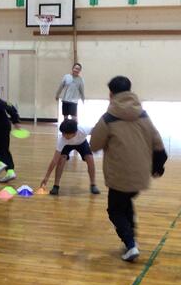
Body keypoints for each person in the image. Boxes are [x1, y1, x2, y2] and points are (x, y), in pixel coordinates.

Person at [90, 76, 167, 262]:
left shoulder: (108, 119)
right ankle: (131, 240)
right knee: (125, 203)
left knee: (115, 210)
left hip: (119, 176)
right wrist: (158, 166)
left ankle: (131, 244)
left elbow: (94, 145)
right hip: (140, 175)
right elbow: (158, 143)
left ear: (111, 94)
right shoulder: (143, 115)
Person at [40, 119, 101, 196]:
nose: (63, 136)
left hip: (81, 143)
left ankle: (93, 185)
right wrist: (46, 177)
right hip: (67, 145)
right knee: (61, 161)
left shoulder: (83, 129)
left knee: (90, 159)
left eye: (66, 134)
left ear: (75, 132)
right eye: (62, 133)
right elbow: (54, 160)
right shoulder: (62, 140)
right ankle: (56, 186)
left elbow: (98, 131)